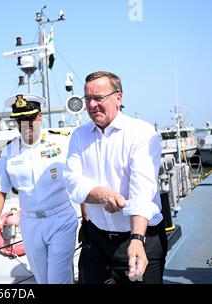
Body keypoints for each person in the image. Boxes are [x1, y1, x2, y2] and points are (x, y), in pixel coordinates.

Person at [63, 71, 168, 284]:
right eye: (88, 99)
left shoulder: (141, 133)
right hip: (97, 240)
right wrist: (102, 195)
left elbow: (142, 191)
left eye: (98, 98)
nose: (92, 105)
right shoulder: (79, 136)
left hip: (141, 237)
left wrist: (137, 239)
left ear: (118, 97)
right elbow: (72, 182)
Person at [0, 93, 78, 284]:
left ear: (40, 116)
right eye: (19, 120)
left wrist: (88, 217)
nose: (25, 125)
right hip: (30, 223)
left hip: (61, 219)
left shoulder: (62, 143)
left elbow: (78, 181)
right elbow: (0, 191)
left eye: (29, 118)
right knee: (43, 281)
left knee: (58, 280)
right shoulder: (9, 151)